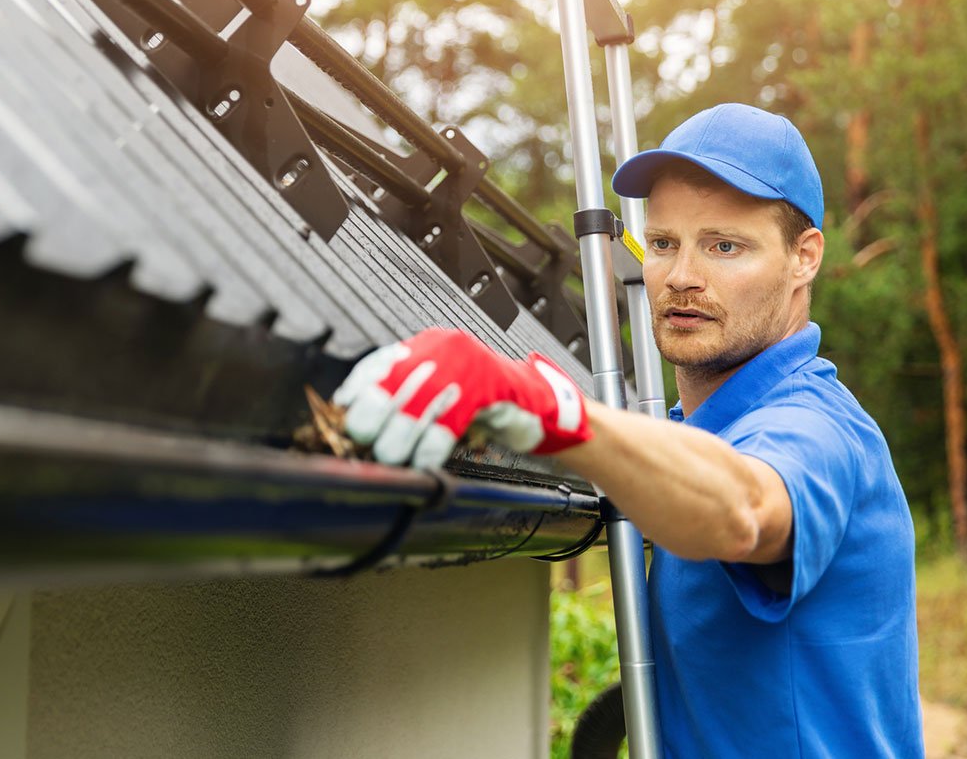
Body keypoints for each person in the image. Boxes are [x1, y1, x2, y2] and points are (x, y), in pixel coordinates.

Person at [332, 103, 924, 758]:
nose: (681, 276)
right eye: (664, 243)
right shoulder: (688, 434)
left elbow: (744, 509)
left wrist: (553, 412)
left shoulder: (818, 428)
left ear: (804, 257)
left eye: (725, 245)